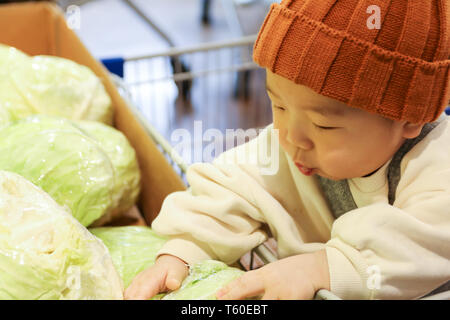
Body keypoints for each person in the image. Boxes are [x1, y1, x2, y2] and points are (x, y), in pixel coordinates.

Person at [125, 0, 450, 300]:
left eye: (324, 125)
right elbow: (233, 187)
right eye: (278, 106)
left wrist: (321, 267)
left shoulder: (437, 165)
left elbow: (427, 241)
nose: (291, 136)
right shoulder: (288, 146)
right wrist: (184, 250)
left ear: (410, 117)